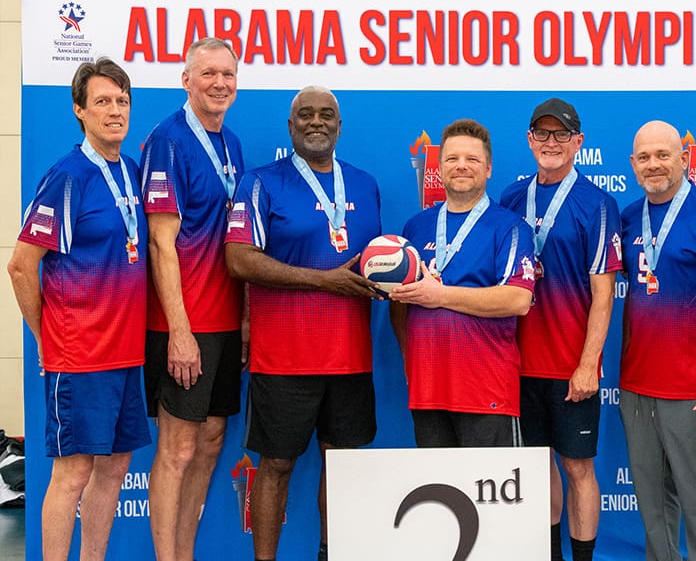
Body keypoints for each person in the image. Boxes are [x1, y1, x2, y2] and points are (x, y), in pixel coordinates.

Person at [224, 86, 382, 561]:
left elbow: (374, 263)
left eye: (327, 115)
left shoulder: (364, 184)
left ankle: (330, 554)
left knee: (342, 467)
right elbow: (238, 259)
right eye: (306, 115)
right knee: (275, 466)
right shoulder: (260, 183)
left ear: (339, 126)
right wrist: (323, 281)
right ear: (290, 127)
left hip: (351, 357)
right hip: (284, 359)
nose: (317, 122)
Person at [7, 58, 150, 561]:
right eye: (103, 102)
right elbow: (22, 266)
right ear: (80, 111)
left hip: (126, 355)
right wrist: (47, 338)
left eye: (122, 101)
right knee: (73, 473)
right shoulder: (68, 176)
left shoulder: (130, 172)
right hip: (81, 355)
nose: (115, 111)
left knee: (114, 468)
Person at [500, 98, 622, 561]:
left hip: (571, 365)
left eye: (561, 135)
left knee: (577, 467)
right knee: (535, 468)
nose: (551, 143)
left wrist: (588, 363)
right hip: (516, 364)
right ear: (530, 140)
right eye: (542, 134)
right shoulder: (511, 199)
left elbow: (604, 294)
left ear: (578, 143)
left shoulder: (598, 204)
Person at [619, 120, 696, 561]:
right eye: (645, 157)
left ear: (684, 159)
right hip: (636, 387)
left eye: (663, 155)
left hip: (694, 389)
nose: (654, 165)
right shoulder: (628, 217)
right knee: (653, 510)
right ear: (633, 165)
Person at [140, 37, 245, 561]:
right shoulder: (168, 141)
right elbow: (161, 241)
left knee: (210, 442)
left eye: (227, 74)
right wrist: (179, 331)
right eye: (208, 74)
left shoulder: (232, 144)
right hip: (182, 324)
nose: (219, 83)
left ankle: (185, 552)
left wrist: (244, 321)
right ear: (186, 80)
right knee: (178, 448)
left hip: (225, 324)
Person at [389, 119, 536, 448]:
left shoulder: (511, 227)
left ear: (488, 169)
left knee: (491, 498)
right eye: (452, 159)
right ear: (439, 168)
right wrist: (409, 355)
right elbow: (399, 305)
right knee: (439, 496)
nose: (461, 166)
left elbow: (517, 300)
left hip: (486, 391)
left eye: (472, 159)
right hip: (427, 391)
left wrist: (439, 295)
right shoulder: (416, 227)